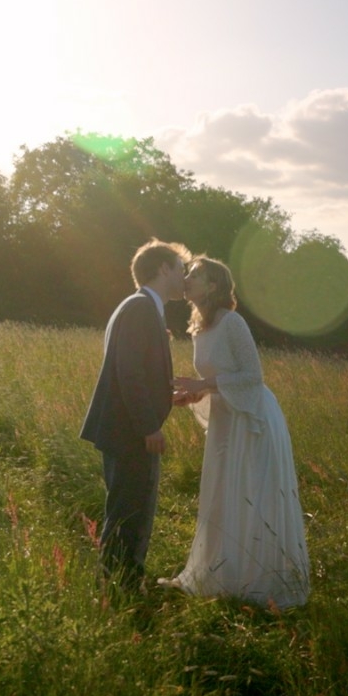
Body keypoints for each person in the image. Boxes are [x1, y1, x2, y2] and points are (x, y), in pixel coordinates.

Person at [158, 256, 310, 609]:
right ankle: (216, 575)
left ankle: (255, 582)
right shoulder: (200, 326)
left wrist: (203, 383)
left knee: (249, 493)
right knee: (221, 493)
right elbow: (220, 377)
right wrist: (195, 393)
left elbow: (252, 377)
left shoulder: (232, 322)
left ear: (213, 286)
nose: (188, 279)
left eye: (195, 275)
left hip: (252, 419)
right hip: (227, 419)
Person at [80, 238, 191, 593]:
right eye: (180, 269)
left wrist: (167, 395)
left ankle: (121, 580)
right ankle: (122, 586)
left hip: (125, 426)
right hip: (128, 429)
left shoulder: (141, 307)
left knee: (130, 506)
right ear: (163, 269)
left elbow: (137, 369)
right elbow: (128, 372)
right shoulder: (141, 307)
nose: (185, 276)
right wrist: (148, 425)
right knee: (131, 510)